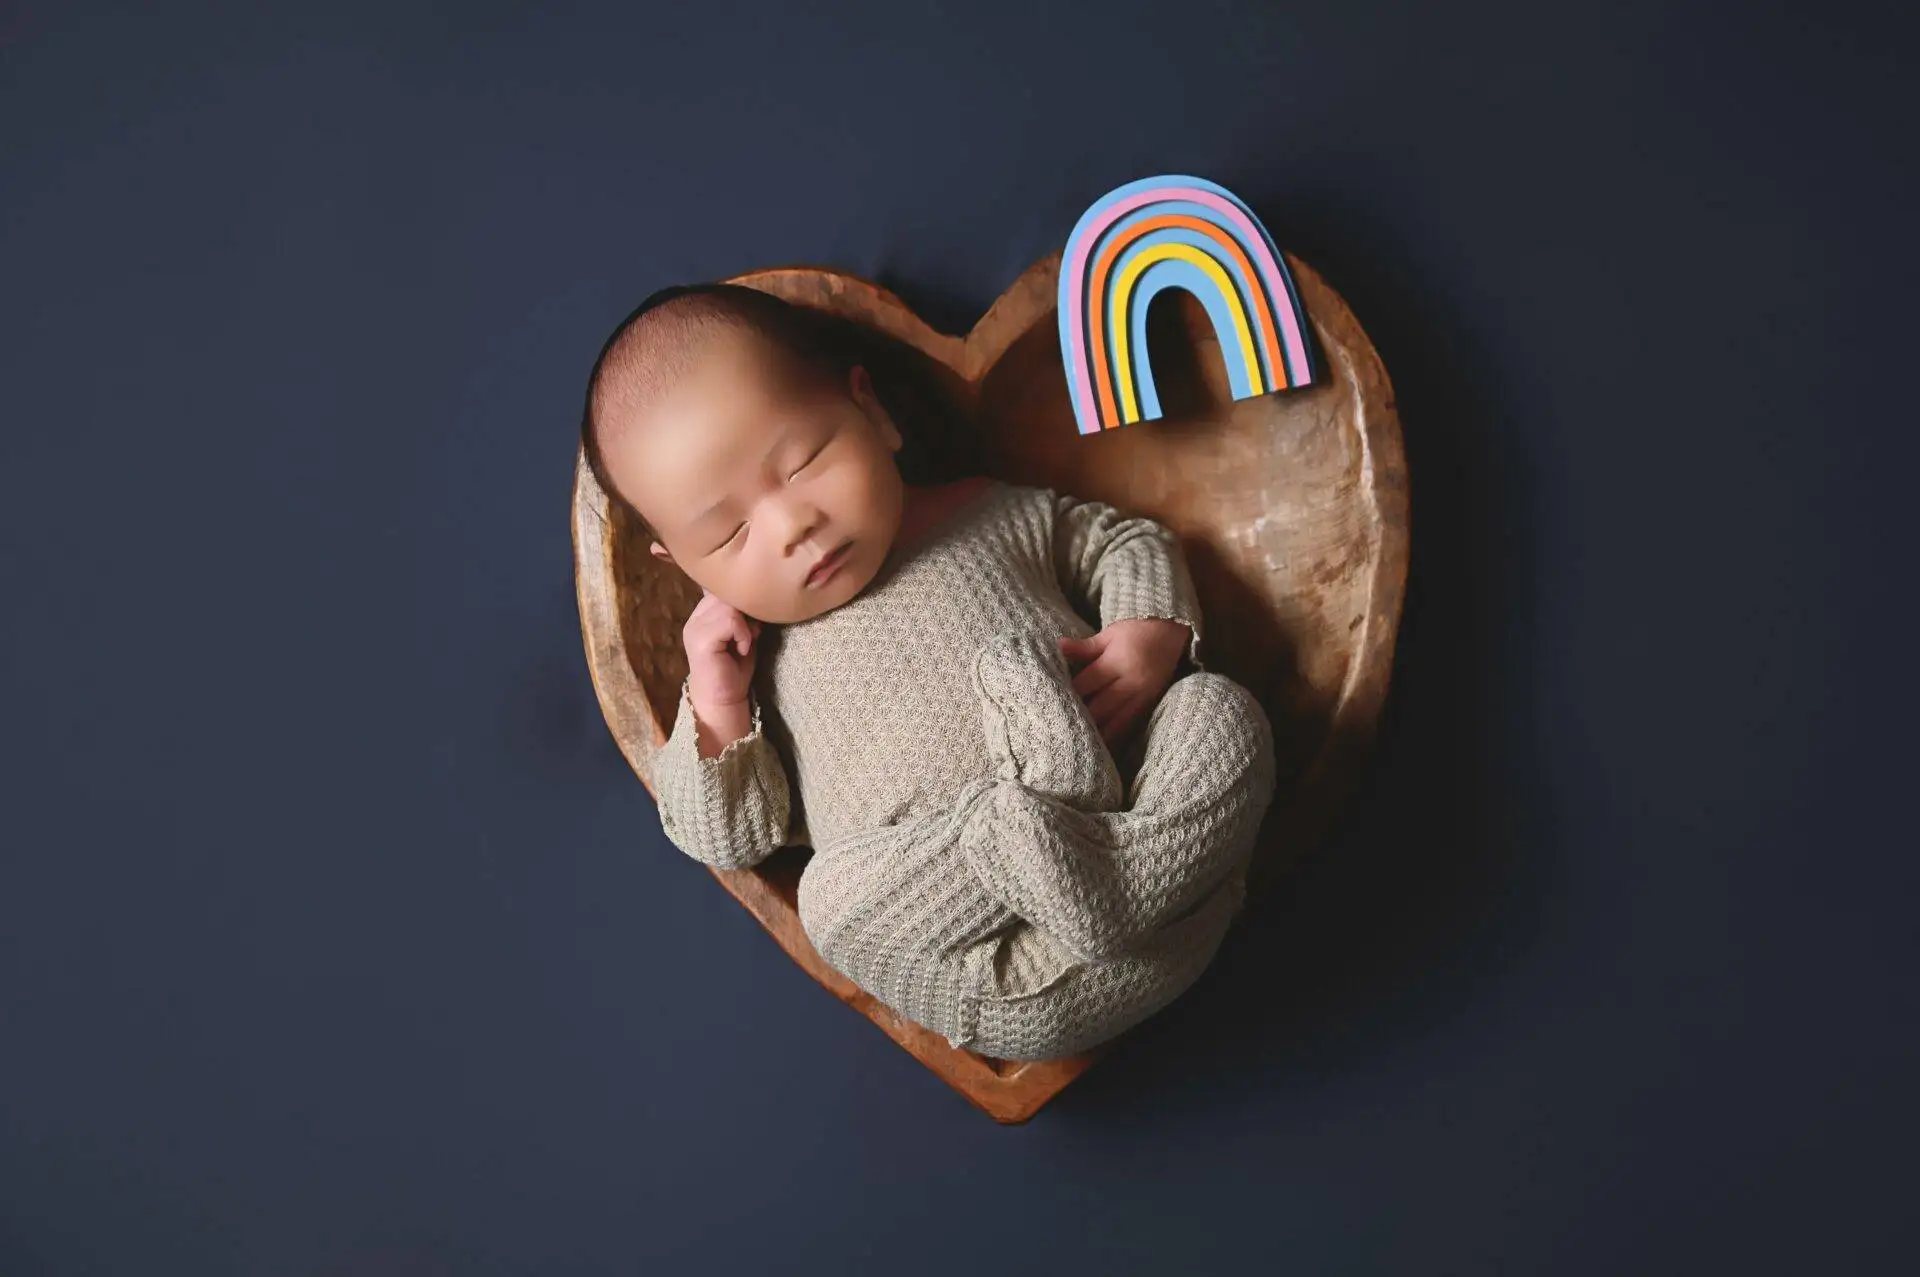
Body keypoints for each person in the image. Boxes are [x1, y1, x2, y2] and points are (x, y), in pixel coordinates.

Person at [579, 282, 1277, 1060]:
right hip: (1018, 976)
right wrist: (715, 702)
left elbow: (1126, 541)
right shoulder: (751, 659)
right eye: (730, 533)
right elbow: (732, 837)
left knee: (1218, 711)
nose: (791, 526)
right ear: (683, 567)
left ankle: (1114, 885)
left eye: (805, 461)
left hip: (1148, 867)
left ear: (870, 411)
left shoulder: (992, 510)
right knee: (830, 902)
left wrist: (1145, 637)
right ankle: (1055, 861)